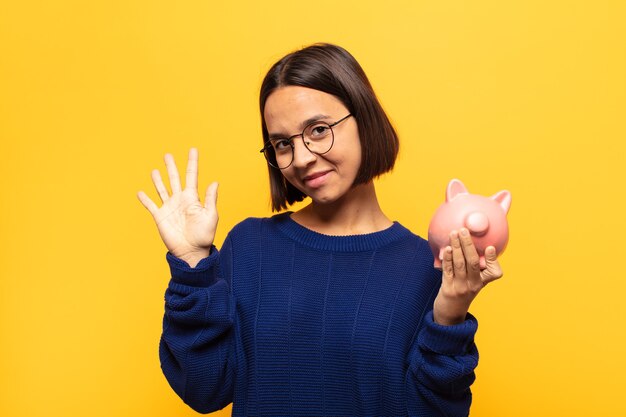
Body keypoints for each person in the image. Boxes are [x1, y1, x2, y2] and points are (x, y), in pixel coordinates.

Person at [137, 43, 503, 417]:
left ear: (364, 119)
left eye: (318, 129)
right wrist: (193, 266)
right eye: (282, 144)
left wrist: (450, 315)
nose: (303, 157)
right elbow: (205, 390)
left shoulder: (426, 265)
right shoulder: (249, 247)